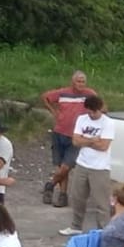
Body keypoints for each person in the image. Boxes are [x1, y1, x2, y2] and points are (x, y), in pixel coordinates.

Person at [60, 94, 115, 236]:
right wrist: (92, 140)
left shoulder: (108, 123)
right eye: (88, 111)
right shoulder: (82, 119)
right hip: (82, 164)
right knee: (77, 197)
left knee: (101, 202)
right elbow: (75, 141)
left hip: (100, 167)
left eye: (93, 112)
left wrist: (85, 140)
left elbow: (103, 146)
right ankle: (76, 226)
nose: (90, 114)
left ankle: (103, 230)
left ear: (99, 110)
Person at [42, 70, 95, 207]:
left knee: (66, 166)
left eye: (83, 81)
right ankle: (63, 195)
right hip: (59, 132)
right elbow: (46, 97)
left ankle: (50, 185)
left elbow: (100, 106)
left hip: (77, 136)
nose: (81, 84)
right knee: (61, 165)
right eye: (78, 81)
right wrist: (54, 112)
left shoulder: (89, 94)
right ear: (72, 81)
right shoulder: (63, 93)